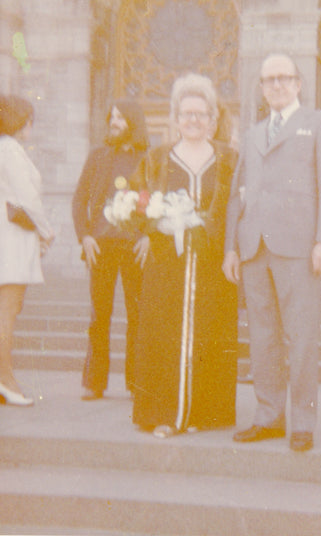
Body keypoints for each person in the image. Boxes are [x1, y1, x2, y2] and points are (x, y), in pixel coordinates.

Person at [223, 53, 321, 452]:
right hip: (255, 248)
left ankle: (303, 421)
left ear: (298, 83)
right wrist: (231, 247)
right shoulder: (254, 131)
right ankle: (268, 415)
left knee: (302, 336)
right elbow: (237, 194)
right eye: (269, 79)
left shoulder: (319, 124)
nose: (276, 85)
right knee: (262, 336)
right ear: (261, 87)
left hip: (299, 248)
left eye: (284, 78)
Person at [130, 73, 238, 439]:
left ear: (213, 119)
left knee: (209, 334)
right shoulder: (157, 158)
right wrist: (149, 228)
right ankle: (165, 413)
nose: (194, 120)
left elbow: (235, 210)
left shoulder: (229, 160)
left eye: (201, 114)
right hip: (167, 266)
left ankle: (201, 413)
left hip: (212, 267)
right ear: (175, 118)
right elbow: (136, 202)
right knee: (164, 337)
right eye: (186, 114)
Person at [72, 100, 149, 400]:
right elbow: (79, 199)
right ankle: (94, 382)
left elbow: (158, 200)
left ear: (133, 121)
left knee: (138, 315)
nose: (114, 122)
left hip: (134, 246)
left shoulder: (147, 158)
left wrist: (148, 236)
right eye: (112, 117)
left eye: (121, 117)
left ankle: (135, 382)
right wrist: (84, 237)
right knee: (99, 315)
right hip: (100, 246)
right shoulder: (98, 156)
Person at [0, 94, 54, 406]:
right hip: (12, 242)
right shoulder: (10, 150)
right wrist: (47, 232)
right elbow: (28, 198)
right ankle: (6, 380)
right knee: (7, 313)